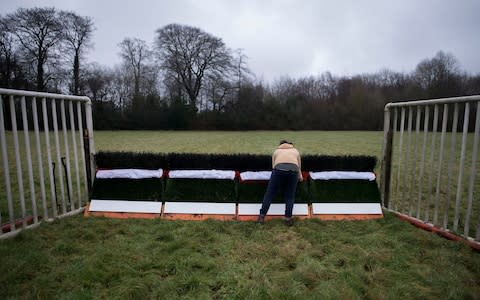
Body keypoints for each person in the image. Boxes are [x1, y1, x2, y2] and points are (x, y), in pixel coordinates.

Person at [257, 140, 303, 226]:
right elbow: (299, 166)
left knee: (269, 194)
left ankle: (261, 217)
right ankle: (288, 219)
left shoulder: (276, 151)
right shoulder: (295, 151)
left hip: (278, 170)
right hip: (293, 171)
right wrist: (300, 176)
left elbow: (273, 166)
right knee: (290, 196)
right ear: (290, 145)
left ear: (280, 145)